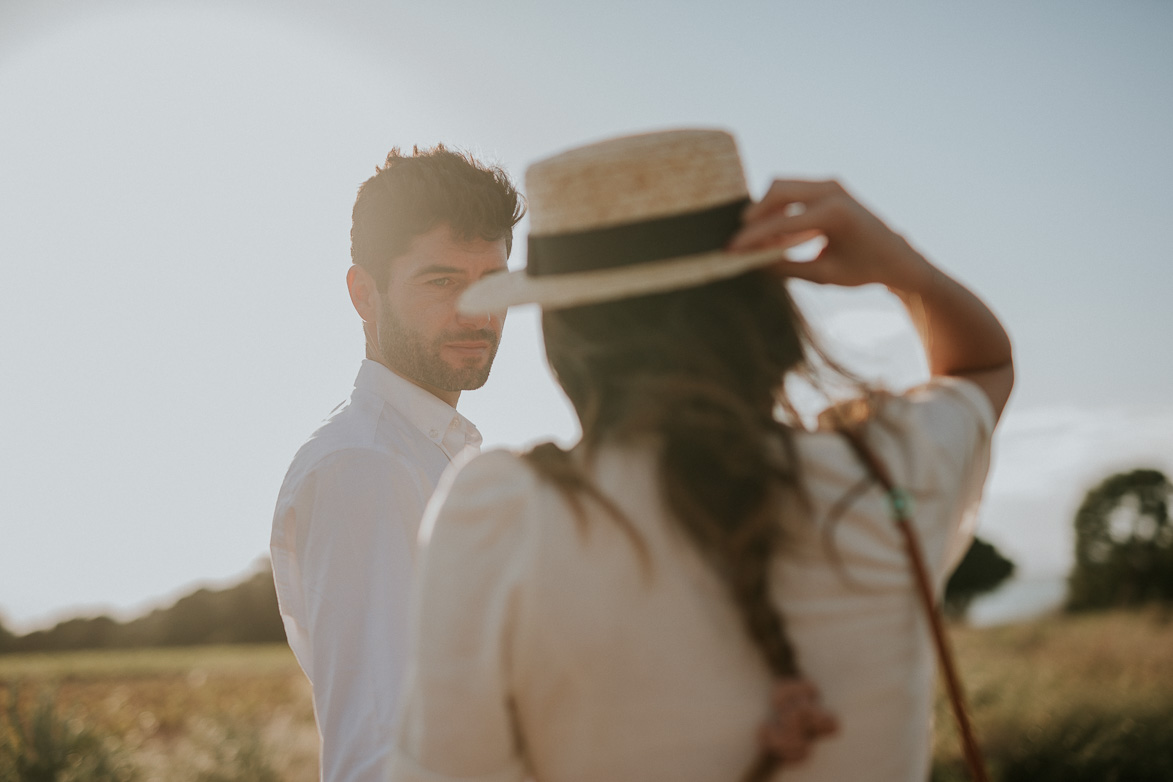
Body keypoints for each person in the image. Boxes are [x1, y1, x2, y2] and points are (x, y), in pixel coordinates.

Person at [388, 129, 1014, 782]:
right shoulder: (889, 473)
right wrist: (903, 267)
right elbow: (983, 365)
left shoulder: (502, 518)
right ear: (763, 307)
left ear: (566, 339)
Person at [270, 145, 524, 782]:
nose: (478, 311)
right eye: (441, 281)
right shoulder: (366, 466)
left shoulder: (442, 454)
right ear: (363, 293)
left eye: (493, 281)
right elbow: (379, 751)